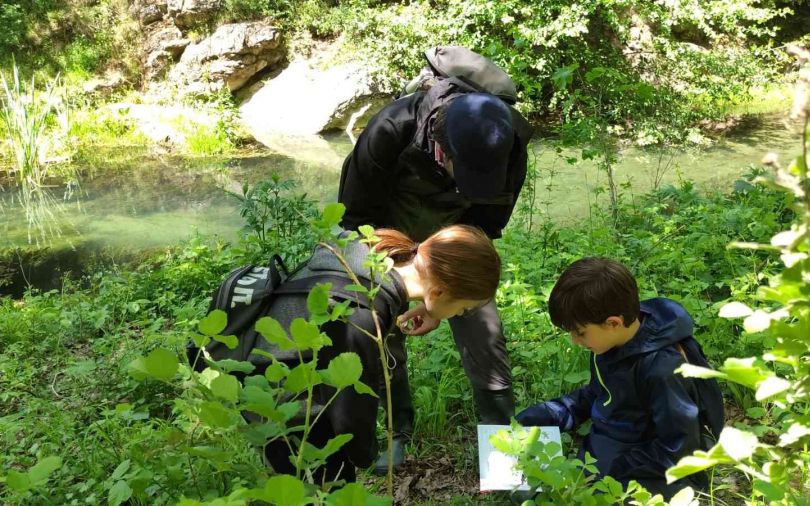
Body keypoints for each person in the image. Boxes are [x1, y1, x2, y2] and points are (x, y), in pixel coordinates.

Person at [337, 63, 534, 472]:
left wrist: (440, 299)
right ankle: (395, 433)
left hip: (457, 239)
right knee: (382, 331)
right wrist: (405, 282)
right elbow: (357, 220)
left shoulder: (508, 140)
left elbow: (485, 227)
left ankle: (503, 451)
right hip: (385, 238)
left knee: (484, 330)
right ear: (442, 151)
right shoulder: (391, 130)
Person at [257, 225, 501, 483]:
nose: (461, 314)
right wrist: (367, 456)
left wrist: (430, 308)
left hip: (273, 367)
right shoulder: (362, 312)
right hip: (281, 403)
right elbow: (349, 411)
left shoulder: (370, 262)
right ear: (438, 292)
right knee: (328, 489)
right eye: (463, 308)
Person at [515, 258, 725, 498]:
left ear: (613, 323)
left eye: (580, 332)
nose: (574, 340)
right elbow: (600, 393)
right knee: (526, 487)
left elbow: (678, 448)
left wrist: (614, 472)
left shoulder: (663, 369)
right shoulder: (607, 343)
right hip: (611, 447)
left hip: (650, 462)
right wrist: (555, 413)